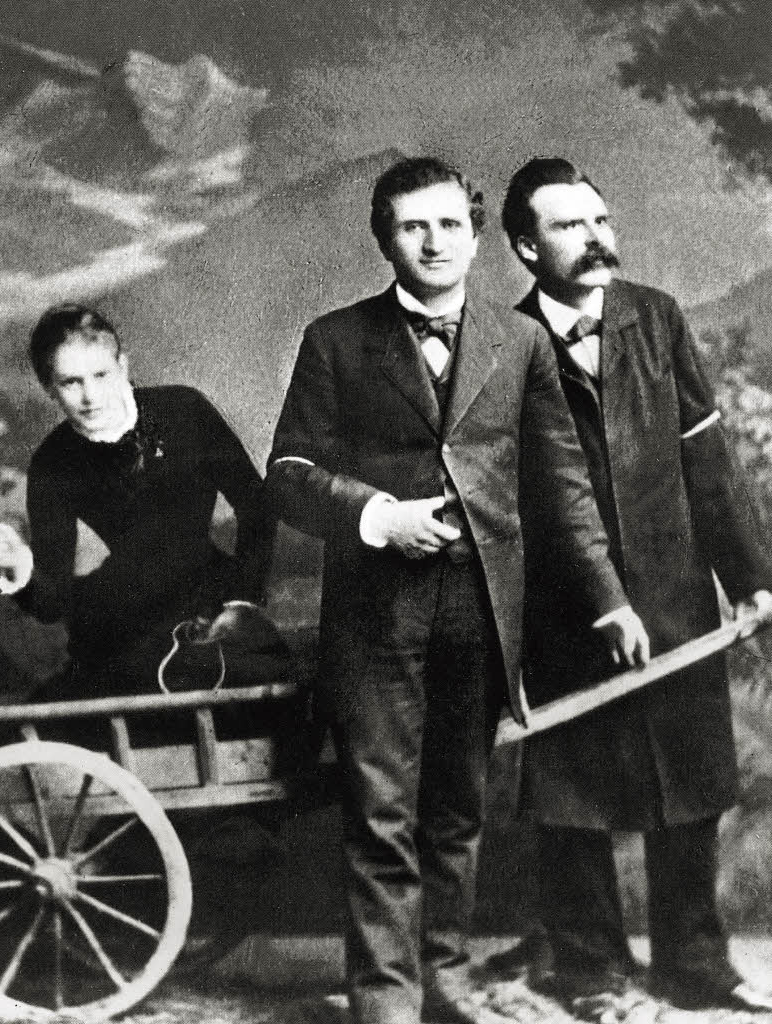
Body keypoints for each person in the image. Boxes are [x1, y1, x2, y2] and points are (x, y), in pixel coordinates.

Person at [265, 156, 649, 1024]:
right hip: (373, 616)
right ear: (385, 241)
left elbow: (562, 481)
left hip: (482, 613)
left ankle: (442, 983)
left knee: (455, 812)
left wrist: (609, 597)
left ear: (476, 238)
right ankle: (385, 1001)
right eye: (412, 227)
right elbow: (286, 473)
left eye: (448, 224)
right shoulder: (336, 339)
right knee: (379, 812)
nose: (433, 242)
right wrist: (377, 516)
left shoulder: (521, 342)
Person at [500, 156, 772, 1015]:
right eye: (568, 226)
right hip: (562, 609)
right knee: (572, 797)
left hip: (672, 592)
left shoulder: (654, 318)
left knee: (687, 783)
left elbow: (706, 457)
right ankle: (587, 970)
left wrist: (751, 579)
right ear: (525, 247)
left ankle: (695, 964)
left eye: (599, 219)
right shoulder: (503, 344)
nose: (594, 238)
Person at [0, 303, 276, 698]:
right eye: (70, 382)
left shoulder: (184, 410)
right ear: (49, 388)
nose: (90, 396)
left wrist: (243, 602)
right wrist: (19, 568)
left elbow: (258, 507)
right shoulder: (52, 463)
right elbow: (53, 603)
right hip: (120, 625)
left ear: (122, 366)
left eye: (101, 375)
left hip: (210, 601)